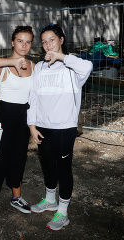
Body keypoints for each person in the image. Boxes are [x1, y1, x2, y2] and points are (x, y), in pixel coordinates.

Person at [27, 24, 92, 230]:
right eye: (44, 41)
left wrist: (61, 57)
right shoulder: (39, 67)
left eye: (52, 40)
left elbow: (88, 66)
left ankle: (62, 212)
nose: (48, 45)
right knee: (47, 164)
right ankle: (50, 200)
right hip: (43, 127)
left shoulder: (72, 67)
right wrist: (32, 125)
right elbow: (33, 98)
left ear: (61, 40)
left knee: (63, 168)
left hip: (65, 127)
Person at [0, 25, 36, 218]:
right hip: (3, 115)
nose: (24, 45)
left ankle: (16, 198)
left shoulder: (33, 66)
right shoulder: (3, 66)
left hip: (22, 118)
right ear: (12, 42)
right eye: (20, 40)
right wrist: (13, 61)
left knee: (18, 158)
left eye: (28, 42)